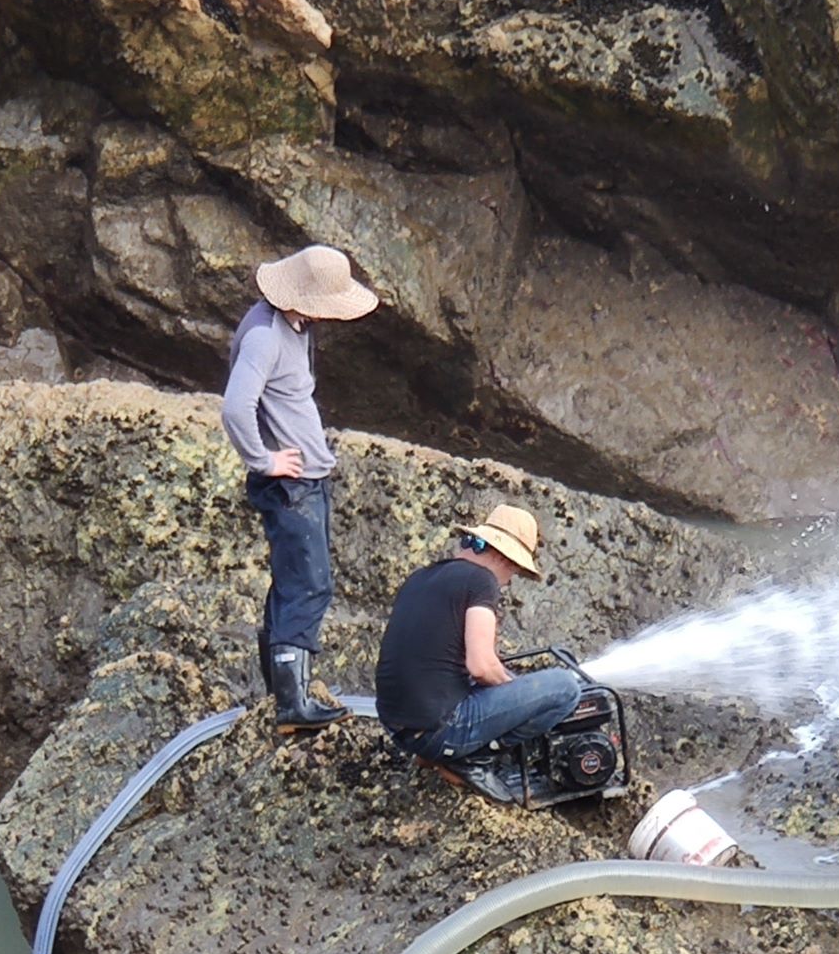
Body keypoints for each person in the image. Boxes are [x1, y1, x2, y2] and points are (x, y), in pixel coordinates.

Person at [222, 243, 380, 732]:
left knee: (291, 581)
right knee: (309, 585)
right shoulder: (265, 337)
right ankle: (292, 704)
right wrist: (264, 460)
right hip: (291, 486)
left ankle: (281, 692)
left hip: (307, 479)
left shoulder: (294, 325)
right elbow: (234, 407)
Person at [373, 504, 584, 769]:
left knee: (509, 684)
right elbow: (481, 666)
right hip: (441, 731)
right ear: (505, 559)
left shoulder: (421, 577)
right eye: (515, 572)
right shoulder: (482, 581)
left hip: (399, 729)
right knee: (566, 687)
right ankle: (474, 758)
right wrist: (517, 688)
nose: (508, 581)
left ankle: (437, 755)